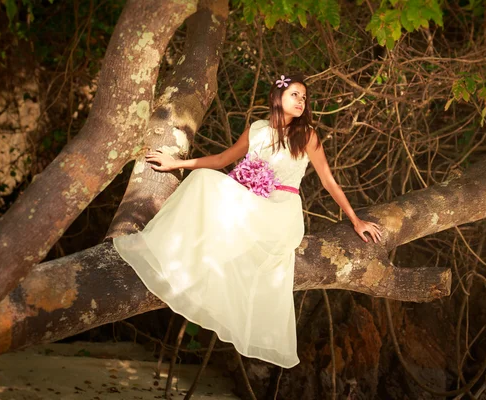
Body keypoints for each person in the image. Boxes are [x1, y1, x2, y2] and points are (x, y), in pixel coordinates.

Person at [113, 74, 381, 368]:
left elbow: (329, 182)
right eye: (295, 95)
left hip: (281, 209)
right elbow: (221, 160)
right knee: (203, 179)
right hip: (251, 203)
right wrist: (176, 163)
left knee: (221, 203)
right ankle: (178, 258)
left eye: (304, 98)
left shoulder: (307, 136)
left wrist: (356, 220)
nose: (301, 101)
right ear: (277, 97)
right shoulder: (257, 129)